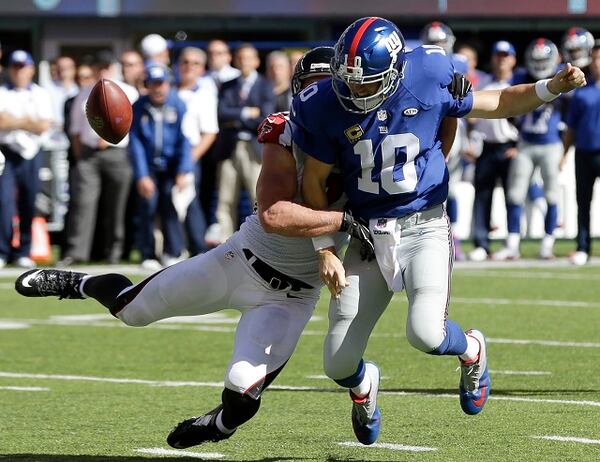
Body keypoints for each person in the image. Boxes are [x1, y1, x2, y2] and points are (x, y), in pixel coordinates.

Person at [14, 47, 371, 449]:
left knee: (241, 392)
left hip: (291, 296)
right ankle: (80, 283)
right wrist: (347, 223)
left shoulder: (368, 140)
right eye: (311, 88)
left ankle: (219, 425)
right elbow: (274, 214)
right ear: (296, 92)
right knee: (133, 311)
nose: (319, 98)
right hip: (239, 260)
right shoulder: (283, 129)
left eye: (329, 88)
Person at [293, 17, 585, 446]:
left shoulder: (428, 73)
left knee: (426, 333)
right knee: (337, 363)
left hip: (423, 223)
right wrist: (324, 248)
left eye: (365, 82)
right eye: (348, 80)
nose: (354, 91)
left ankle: (472, 350)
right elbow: (313, 181)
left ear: (394, 72)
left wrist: (551, 88)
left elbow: (498, 101)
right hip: (366, 234)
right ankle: (363, 388)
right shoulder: (323, 103)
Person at [60, 51, 138, 266]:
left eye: (106, 66)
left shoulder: (129, 92)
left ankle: (115, 252)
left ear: (113, 67)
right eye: (99, 66)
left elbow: (133, 126)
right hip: (89, 154)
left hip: (118, 152)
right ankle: (76, 252)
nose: (103, 71)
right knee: (82, 203)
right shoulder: (84, 93)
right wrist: (80, 155)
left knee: (117, 205)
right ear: (93, 69)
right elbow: (75, 128)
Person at [493, 38, 564, 260]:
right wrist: (515, 138)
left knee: (552, 194)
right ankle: (513, 243)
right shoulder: (520, 77)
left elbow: (571, 113)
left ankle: (547, 244)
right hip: (525, 143)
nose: (540, 64)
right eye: (537, 60)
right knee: (515, 194)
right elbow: (509, 109)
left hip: (551, 144)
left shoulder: (561, 77)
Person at [128, 63, 200, 269]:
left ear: (168, 84)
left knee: (171, 205)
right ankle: (147, 253)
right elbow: (136, 143)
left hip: (171, 165)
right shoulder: (138, 107)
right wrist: (142, 175)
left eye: (161, 84)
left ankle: (173, 251)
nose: (158, 89)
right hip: (149, 165)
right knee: (147, 205)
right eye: (153, 84)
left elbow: (185, 140)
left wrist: (183, 170)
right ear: (147, 86)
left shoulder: (179, 105)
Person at [207, 43, 275, 245]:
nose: (244, 62)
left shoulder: (265, 85)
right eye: (240, 58)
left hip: (254, 149)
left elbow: (265, 117)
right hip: (230, 148)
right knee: (225, 199)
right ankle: (225, 245)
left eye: (248, 58)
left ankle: (261, 243)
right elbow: (221, 113)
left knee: (258, 198)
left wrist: (236, 118)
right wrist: (247, 112)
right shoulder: (228, 85)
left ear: (256, 61)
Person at [0, 50, 54, 269]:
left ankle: (23, 249)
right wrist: (27, 120)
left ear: (31, 69)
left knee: (29, 201)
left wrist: (15, 120)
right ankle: (3, 251)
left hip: (31, 153)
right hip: (6, 151)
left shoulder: (41, 93)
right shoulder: (3, 91)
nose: (19, 72)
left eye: (23, 68)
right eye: (15, 67)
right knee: (4, 202)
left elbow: (43, 126)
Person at [468, 41, 520, 261]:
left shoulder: (519, 83)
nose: (502, 59)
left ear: (513, 59)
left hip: (510, 146)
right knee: (482, 195)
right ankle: (482, 242)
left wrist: (519, 147)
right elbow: (472, 116)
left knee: (513, 196)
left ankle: (512, 242)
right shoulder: (485, 83)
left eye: (505, 55)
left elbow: (528, 118)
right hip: (487, 146)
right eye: (498, 55)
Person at [563, 41, 600, 265]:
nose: (597, 64)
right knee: (583, 202)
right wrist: (564, 153)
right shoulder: (581, 93)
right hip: (584, 154)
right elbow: (571, 128)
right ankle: (583, 247)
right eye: (594, 59)